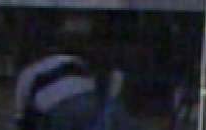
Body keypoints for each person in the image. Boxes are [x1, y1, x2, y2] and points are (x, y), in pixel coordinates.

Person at [13, 37, 144, 130]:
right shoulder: (68, 59)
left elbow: (22, 118)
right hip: (88, 98)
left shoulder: (25, 75)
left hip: (58, 110)